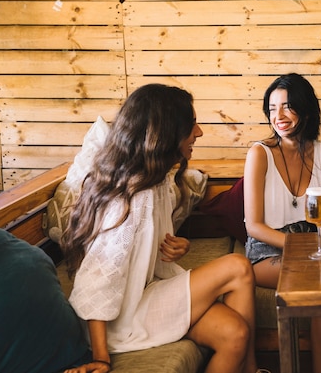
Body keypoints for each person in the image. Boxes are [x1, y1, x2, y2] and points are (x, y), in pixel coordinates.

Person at [61, 84, 261, 373]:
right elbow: (97, 279)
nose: (199, 132)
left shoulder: (156, 182)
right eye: (192, 124)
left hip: (146, 297)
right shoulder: (131, 197)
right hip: (123, 317)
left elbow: (146, 248)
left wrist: (181, 245)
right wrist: (102, 357)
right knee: (238, 267)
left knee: (235, 334)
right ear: (167, 131)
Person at [244, 73, 321, 373]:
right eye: (273, 108)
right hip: (267, 251)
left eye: (288, 107)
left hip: (311, 249)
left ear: (306, 109)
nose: (279, 116)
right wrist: (302, 245)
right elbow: (253, 226)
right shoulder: (259, 153)